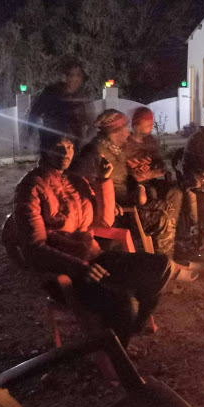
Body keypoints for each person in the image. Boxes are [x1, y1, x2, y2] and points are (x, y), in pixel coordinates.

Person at [12, 130, 174, 346]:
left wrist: (104, 181)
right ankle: (115, 354)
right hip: (66, 274)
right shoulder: (30, 188)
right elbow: (34, 248)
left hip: (95, 258)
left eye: (69, 147)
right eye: (58, 147)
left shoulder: (76, 181)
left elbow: (104, 222)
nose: (66, 153)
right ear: (45, 150)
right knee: (123, 303)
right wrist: (79, 268)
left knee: (162, 266)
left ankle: (129, 331)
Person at [72, 109, 182, 260]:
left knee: (168, 204)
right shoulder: (95, 153)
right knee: (161, 217)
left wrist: (139, 187)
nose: (128, 133)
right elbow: (80, 184)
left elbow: (127, 178)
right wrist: (108, 204)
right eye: (125, 128)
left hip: (128, 200)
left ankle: (158, 258)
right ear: (115, 131)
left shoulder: (116, 151)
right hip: (118, 211)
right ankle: (163, 261)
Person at [28, 59, 90, 143]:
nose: (75, 79)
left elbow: (83, 121)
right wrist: (30, 133)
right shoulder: (51, 92)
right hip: (52, 142)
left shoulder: (79, 97)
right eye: (71, 75)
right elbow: (35, 112)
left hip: (73, 143)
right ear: (65, 77)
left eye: (78, 75)